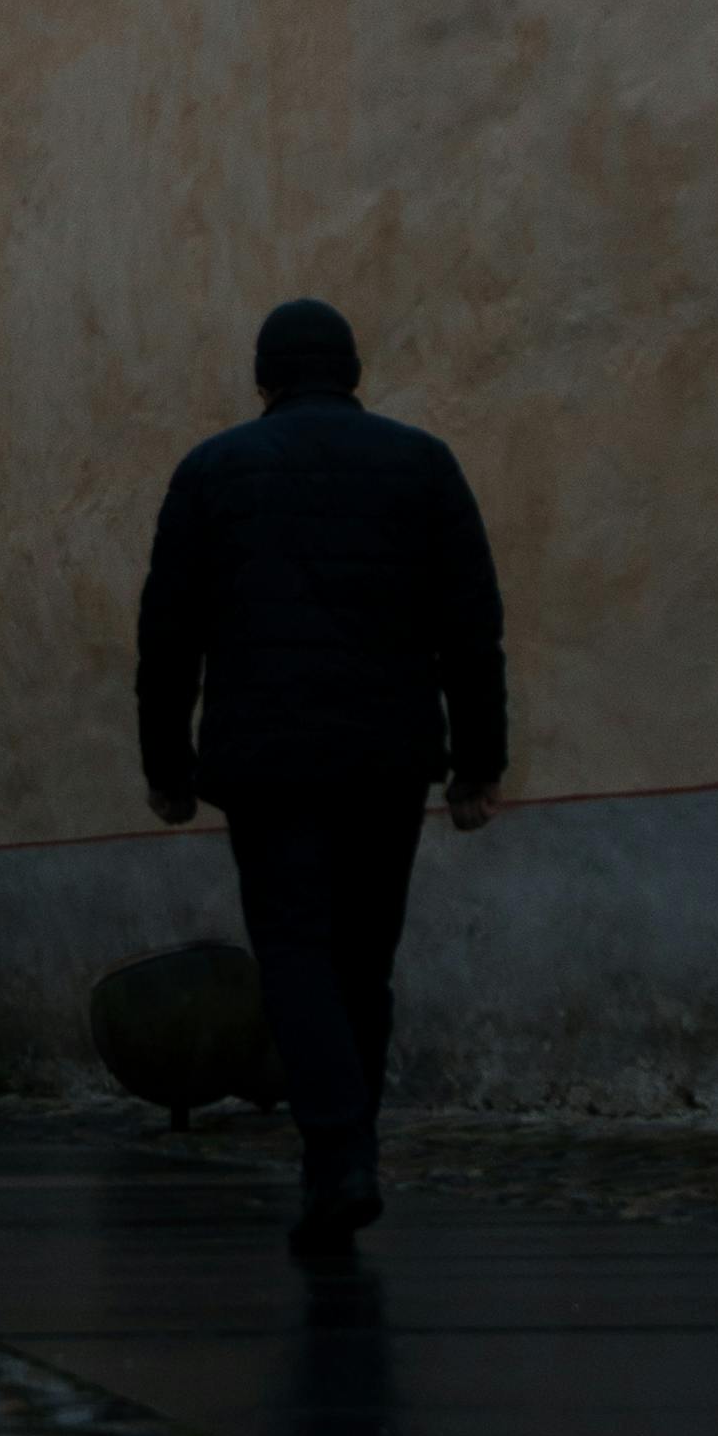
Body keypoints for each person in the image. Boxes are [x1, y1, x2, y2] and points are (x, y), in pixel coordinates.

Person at [134, 299, 506, 1265]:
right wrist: (477, 765)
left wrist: (166, 769)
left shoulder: (212, 472)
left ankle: (336, 1154)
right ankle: (348, 1155)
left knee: (294, 953)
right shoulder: (422, 465)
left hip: (265, 758)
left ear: (263, 379)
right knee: (361, 963)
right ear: (352, 371)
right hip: (385, 755)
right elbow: (470, 631)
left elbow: (167, 639)